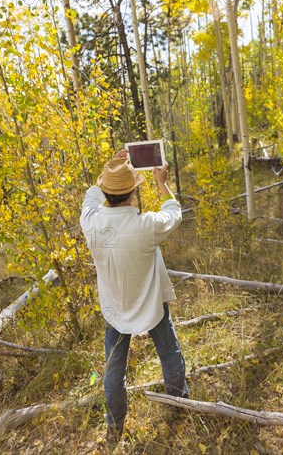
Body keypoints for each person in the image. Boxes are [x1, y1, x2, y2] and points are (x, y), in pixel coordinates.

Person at [80, 150, 188, 444]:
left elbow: (90, 196)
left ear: (106, 192)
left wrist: (110, 167)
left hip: (115, 309)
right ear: (132, 192)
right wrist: (162, 183)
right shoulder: (145, 226)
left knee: (113, 370)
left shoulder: (91, 223)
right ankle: (179, 406)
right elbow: (174, 212)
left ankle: (115, 427)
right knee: (169, 353)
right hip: (151, 305)